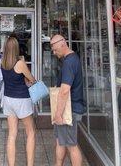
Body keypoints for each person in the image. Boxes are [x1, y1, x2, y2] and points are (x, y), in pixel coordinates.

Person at [50, 34, 85, 166]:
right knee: (61, 141)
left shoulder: (69, 62)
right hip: (68, 108)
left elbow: (65, 90)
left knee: (71, 145)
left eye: (54, 48)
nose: (54, 52)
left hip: (69, 110)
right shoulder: (71, 59)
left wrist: (58, 114)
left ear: (63, 43)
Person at [1, 36, 36, 166]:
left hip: (8, 99)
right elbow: (31, 79)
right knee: (31, 132)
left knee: (12, 134)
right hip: (21, 99)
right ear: (16, 48)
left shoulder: (2, 63)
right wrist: (24, 63)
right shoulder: (20, 63)